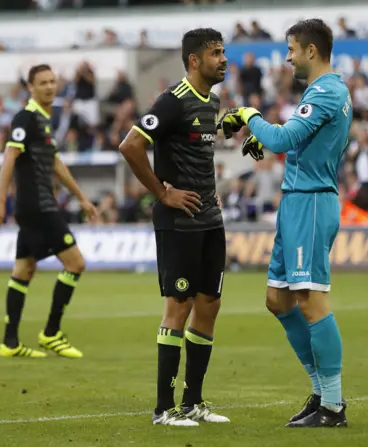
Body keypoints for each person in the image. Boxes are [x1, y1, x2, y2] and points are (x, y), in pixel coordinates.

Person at [220, 19, 352, 428]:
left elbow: (281, 139)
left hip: (311, 205)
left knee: (311, 301)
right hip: (296, 203)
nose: (288, 57)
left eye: (292, 49)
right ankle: (320, 391)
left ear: (311, 51)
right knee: (277, 301)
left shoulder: (327, 91)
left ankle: (332, 405)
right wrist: (268, 136)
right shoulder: (321, 92)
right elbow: (295, 141)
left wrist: (248, 115)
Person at [119, 28, 230, 427]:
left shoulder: (211, 101)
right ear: (195, 60)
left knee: (209, 306)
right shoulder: (171, 102)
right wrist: (163, 194)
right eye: (216, 53)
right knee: (178, 308)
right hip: (178, 223)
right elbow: (131, 145)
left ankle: (193, 402)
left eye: (224, 51)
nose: (223, 59)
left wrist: (209, 192)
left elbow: (196, 153)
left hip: (209, 219)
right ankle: (163, 409)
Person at [0, 64, 98, 359]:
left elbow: (55, 164)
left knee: (24, 269)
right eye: (43, 83)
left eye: (53, 82)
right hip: (38, 205)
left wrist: (81, 198)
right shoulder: (26, 117)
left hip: (35, 205)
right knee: (75, 263)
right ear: (31, 87)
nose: (50, 87)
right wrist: (0, 200)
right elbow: (9, 156)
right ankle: (51, 333)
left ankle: (9, 343)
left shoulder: (45, 120)